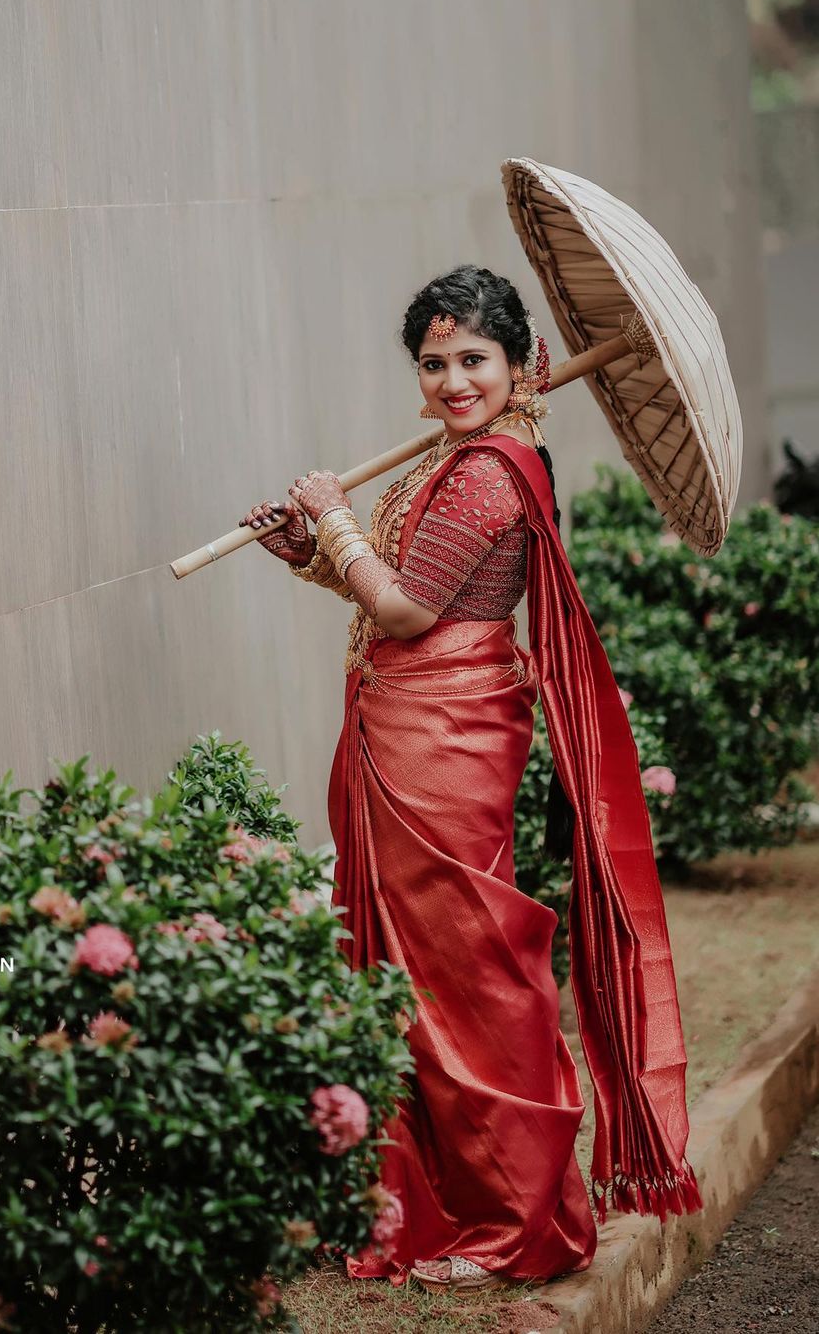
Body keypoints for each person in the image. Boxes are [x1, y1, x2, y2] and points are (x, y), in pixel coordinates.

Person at [239, 265, 701, 1290]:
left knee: (470, 975)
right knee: (418, 975)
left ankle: (518, 1220)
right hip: (409, 722)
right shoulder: (457, 460)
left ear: (521, 365)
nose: (453, 379)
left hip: (442, 741)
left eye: (474, 360)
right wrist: (310, 550)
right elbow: (404, 589)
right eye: (435, 361)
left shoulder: (492, 469)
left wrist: (337, 518)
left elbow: (405, 610)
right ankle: (443, 1199)